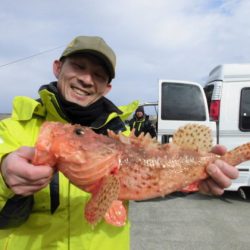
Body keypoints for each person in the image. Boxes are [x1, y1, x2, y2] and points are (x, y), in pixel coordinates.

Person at [0, 35, 239, 250]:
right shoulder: (11, 128)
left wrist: (193, 182)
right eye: (79, 66)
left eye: (98, 75)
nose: (86, 79)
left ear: (107, 87)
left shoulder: (121, 133)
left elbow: (143, 185)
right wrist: (4, 177)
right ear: (57, 67)